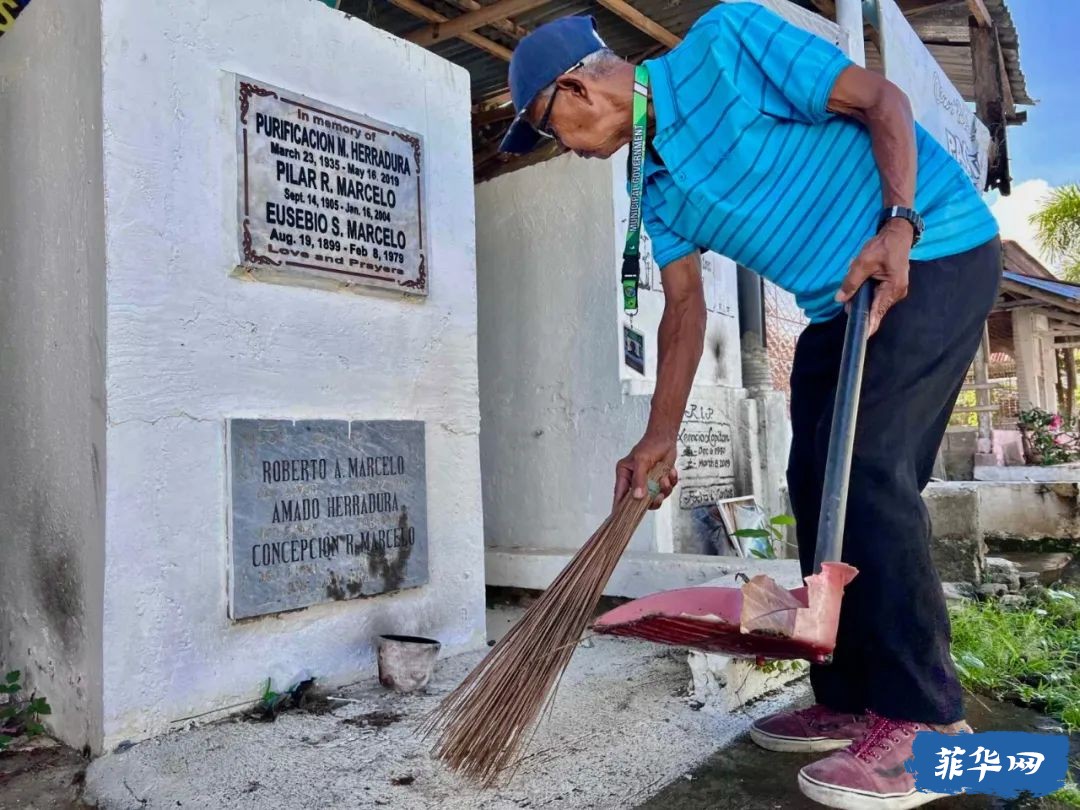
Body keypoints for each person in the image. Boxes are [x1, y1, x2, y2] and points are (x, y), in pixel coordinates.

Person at [499, 4, 1001, 808]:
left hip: (933, 250)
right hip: (840, 305)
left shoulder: (727, 42)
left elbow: (884, 103)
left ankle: (928, 726)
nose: (558, 146)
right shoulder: (652, 189)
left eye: (546, 127)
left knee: (869, 467)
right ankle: (847, 698)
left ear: (575, 87)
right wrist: (656, 438)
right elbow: (686, 312)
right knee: (815, 480)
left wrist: (899, 224)